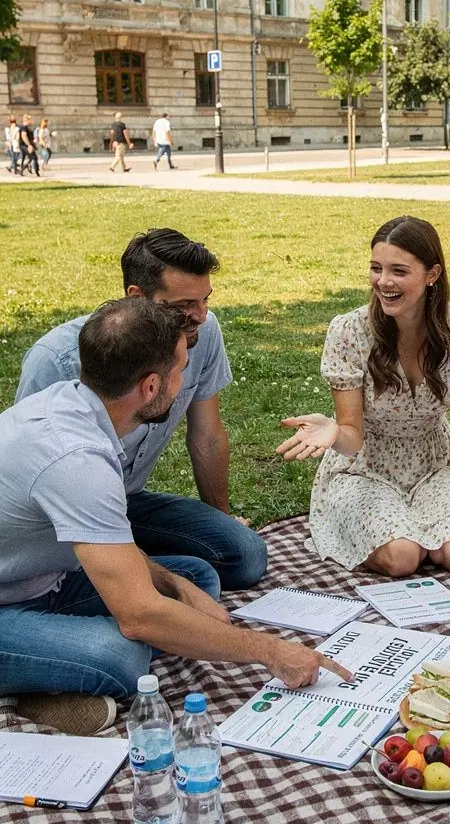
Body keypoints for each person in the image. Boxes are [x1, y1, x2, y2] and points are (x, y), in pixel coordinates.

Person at [0, 298, 350, 738]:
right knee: (122, 656)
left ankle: (54, 670)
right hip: (12, 601)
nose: (185, 382)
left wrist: (176, 587)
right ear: (151, 386)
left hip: (43, 579)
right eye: (181, 370)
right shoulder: (77, 460)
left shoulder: (76, 409)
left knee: (194, 580)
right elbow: (139, 617)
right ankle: (33, 689)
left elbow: (117, 550)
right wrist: (271, 652)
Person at [276, 215, 450, 577]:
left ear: (432, 274)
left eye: (398, 271)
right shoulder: (349, 331)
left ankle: (438, 517)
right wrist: (334, 432)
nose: (383, 282)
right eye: (376, 268)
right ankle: (408, 524)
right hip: (364, 470)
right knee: (402, 559)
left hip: (433, 463)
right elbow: (351, 440)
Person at [15, 228, 267, 591]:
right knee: (190, 583)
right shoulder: (56, 359)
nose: (200, 316)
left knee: (245, 555)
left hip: (127, 500)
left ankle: (130, 564)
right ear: (137, 296)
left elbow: (208, 436)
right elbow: (30, 475)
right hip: (61, 518)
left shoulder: (202, 332)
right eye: (183, 306)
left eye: (205, 300)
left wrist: (221, 519)